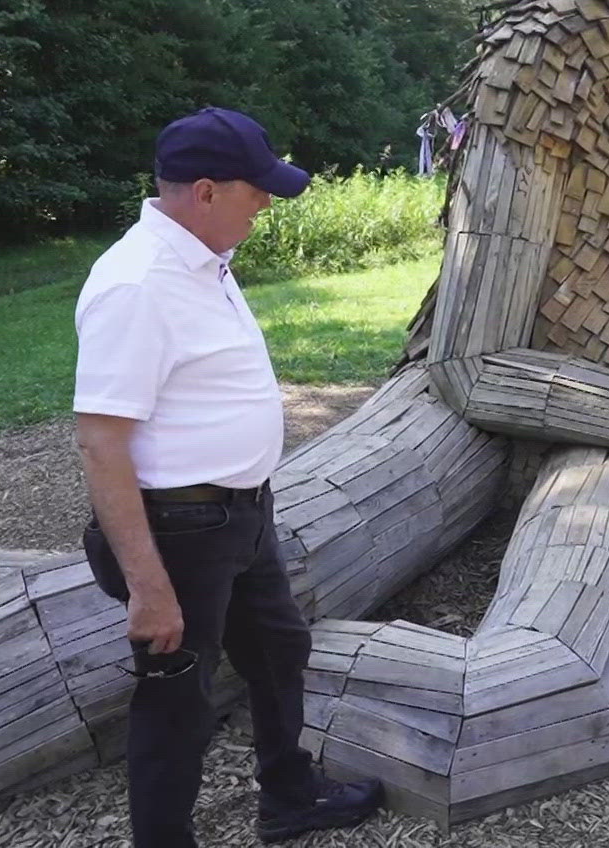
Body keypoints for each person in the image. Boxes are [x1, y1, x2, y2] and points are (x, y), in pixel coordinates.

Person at [73, 107, 383, 845]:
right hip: (180, 530)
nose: (268, 203)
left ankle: (289, 794)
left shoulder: (202, 260)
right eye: (258, 189)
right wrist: (149, 587)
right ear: (206, 191)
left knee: (279, 649)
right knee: (177, 700)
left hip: (240, 516)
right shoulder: (137, 285)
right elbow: (100, 442)